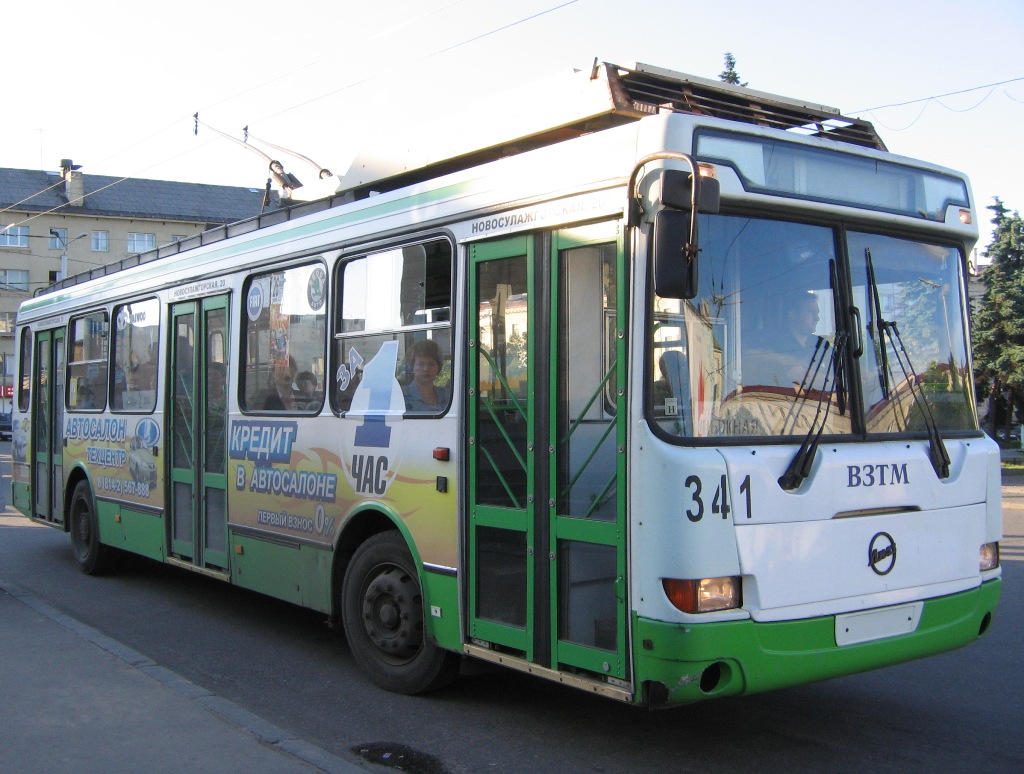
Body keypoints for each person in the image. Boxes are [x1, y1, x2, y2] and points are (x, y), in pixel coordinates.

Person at [744, 290, 825, 390]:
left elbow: (836, 379)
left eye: (816, 313)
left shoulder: (823, 346)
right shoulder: (772, 346)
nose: (816, 318)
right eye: (809, 312)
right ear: (792, 315)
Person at [403, 339, 450, 412]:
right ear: (412, 367)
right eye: (421, 364)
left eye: (431, 364)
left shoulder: (448, 395)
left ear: (438, 367)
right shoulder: (403, 397)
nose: (426, 369)